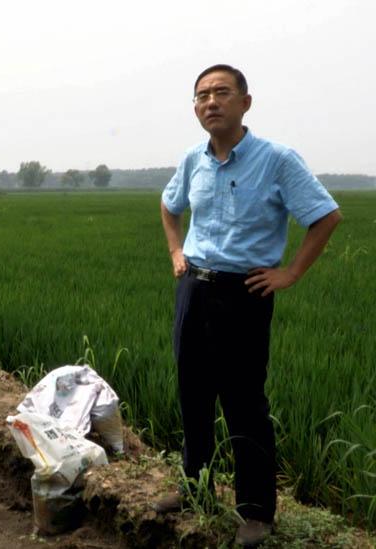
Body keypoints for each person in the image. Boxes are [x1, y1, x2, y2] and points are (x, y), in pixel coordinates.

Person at [156, 64, 342, 547]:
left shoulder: (277, 160)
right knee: (193, 393)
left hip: (245, 294)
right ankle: (195, 487)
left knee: (243, 402)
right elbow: (169, 206)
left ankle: (256, 511)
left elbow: (325, 216)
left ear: (245, 102)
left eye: (221, 92)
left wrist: (291, 272)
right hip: (193, 289)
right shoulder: (192, 160)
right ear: (194, 108)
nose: (210, 102)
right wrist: (176, 252)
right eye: (201, 96)